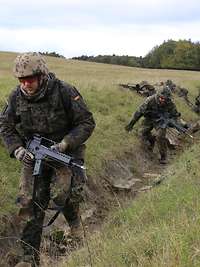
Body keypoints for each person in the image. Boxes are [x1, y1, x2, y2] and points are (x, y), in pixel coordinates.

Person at [0, 52, 95, 267]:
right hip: (33, 156)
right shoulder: (16, 97)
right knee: (29, 203)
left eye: (30, 80)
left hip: (66, 153)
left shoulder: (64, 91)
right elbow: (5, 126)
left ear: (42, 75)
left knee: (66, 196)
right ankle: (29, 257)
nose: (25, 85)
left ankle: (74, 224)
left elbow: (87, 122)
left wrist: (66, 143)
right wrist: (17, 150)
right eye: (21, 80)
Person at [125, 86, 180, 164]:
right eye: (161, 98)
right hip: (149, 119)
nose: (163, 100)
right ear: (158, 95)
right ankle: (152, 140)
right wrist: (131, 124)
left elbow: (175, 115)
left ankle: (163, 157)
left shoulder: (170, 103)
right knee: (141, 133)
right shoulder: (149, 100)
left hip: (161, 122)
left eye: (165, 99)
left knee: (160, 136)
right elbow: (138, 113)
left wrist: (171, 122)